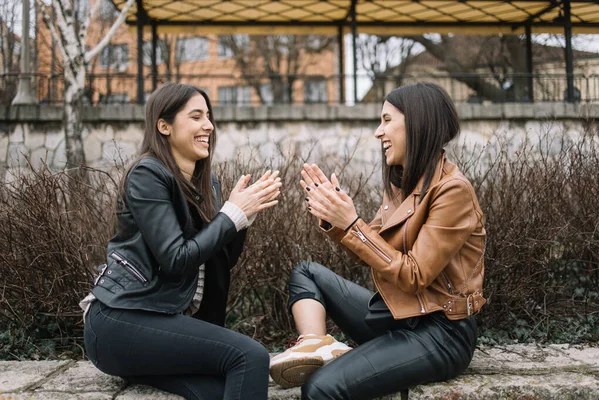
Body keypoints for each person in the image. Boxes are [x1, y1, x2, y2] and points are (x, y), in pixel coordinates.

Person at [269, 82, 486, 399]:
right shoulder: (402, 183)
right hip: (398, 315)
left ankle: (328, 363)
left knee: (320, 389)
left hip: (442, 333)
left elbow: (414, 275)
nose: (377, 132)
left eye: (387, 120)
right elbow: (370, 251)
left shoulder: (453, 190)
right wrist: (338, 220)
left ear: (417, 122)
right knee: (306, 272)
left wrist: (352, 224)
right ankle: (316, 343)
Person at [80, 83, 281, 400]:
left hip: (164, 323)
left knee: (225, 389)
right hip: (119, 321)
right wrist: (230, 216)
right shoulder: (147, 174)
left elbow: (218, 262)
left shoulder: (207, 182)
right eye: (197, 116)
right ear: (164, 126)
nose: (209, 126)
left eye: (209, 116)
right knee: (251, 356)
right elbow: (175, 259)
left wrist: (242, 221)